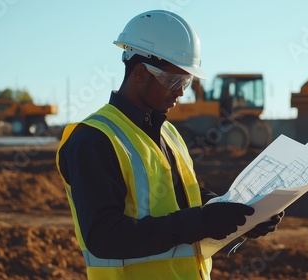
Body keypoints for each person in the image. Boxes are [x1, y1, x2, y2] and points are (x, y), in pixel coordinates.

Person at [56, 10, 283, 280]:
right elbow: (105, 236)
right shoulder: (94, 139)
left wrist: (244, 216)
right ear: (140, 73)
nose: (181, 91)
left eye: (186, 81)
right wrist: (202, 222)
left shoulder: (169, 133)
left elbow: (182, 198)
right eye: (174, 80)